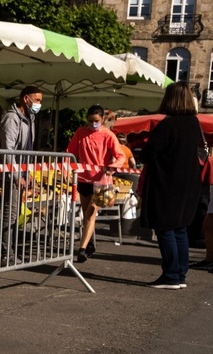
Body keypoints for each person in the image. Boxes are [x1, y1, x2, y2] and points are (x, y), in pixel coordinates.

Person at [138, 81, 203, 289]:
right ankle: (180, 274)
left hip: (167, 185)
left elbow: (150, 153)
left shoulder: (168, 124)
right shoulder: (194, 123)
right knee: (180, 229)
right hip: (189, 184)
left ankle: (171, 275)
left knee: (165, 228)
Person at [67, 104, 125, 262]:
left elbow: (120, 156)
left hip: (102, 181)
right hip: (83, 179)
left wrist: (112, 167)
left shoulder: (108, 135)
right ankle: (90, 243)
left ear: (103, 119)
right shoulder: (80, 132)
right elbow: (70, 152)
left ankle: (82, 248)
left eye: (97, 120)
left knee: (91, 212)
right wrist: (68, 166)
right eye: (91, 120)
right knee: (86, 214)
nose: (93, 124)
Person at [0, 86, 42, 264]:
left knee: (14, 213)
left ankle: (9, 251)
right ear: (25, 99)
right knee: (10, 213)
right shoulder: (12, 119)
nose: (39, 104)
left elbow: (26, 149)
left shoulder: (31, 119)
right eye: (37, 100)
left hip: (19, 171)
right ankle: (5, 253)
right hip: (9, 173)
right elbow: (9, 150)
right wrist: (16, 176)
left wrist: (27, 172)